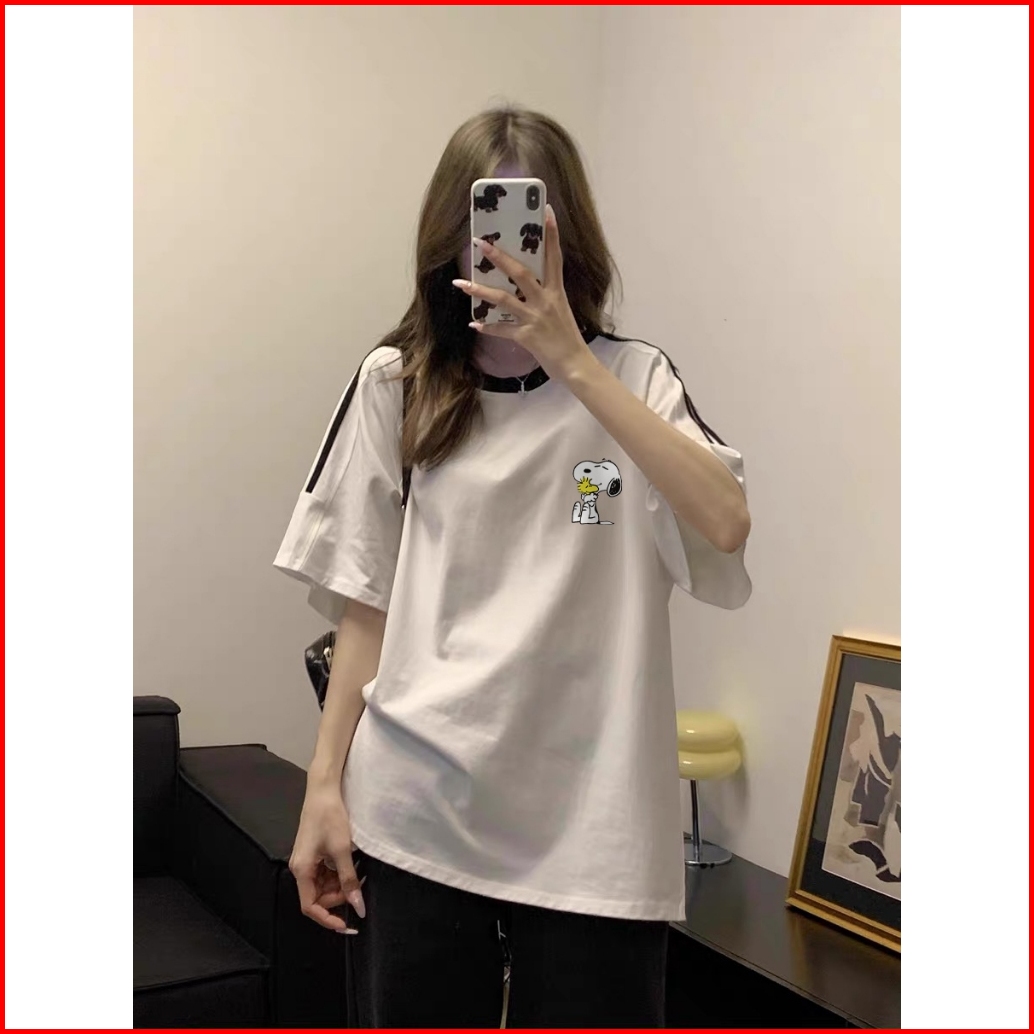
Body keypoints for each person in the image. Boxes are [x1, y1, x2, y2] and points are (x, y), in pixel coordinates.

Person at [273, 105, 752, 1029]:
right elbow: (365, 604)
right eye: (481, 229)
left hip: (596, 832)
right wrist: (323, 787)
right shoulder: (397, 384)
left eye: (527, 229)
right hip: (415, 812)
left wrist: (572, 360)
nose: (502, 256)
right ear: (446, 241)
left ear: (569, 239)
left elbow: (726, 522)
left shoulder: (636, 381)